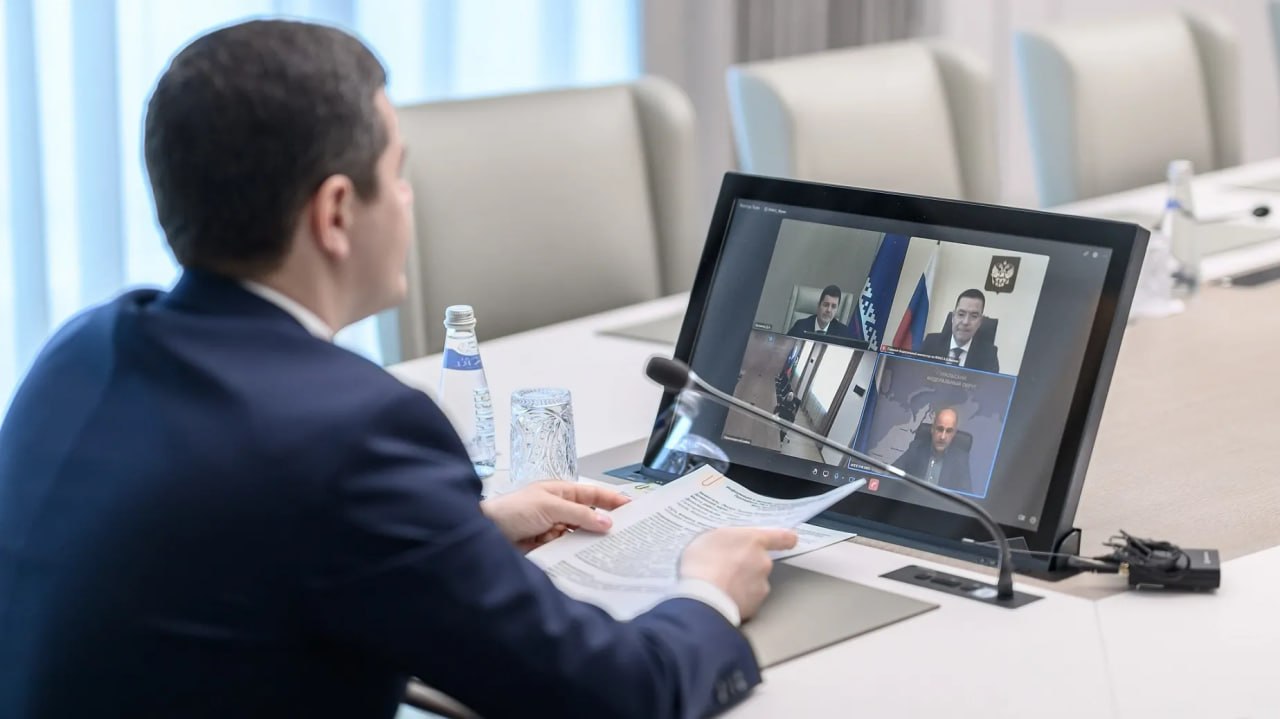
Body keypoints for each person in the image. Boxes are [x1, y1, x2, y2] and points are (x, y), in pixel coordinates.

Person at [0, 21, 796, 719]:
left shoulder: (82, 350)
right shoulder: (354, 434)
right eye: (398, 173)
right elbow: (614, 695)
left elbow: (224, 542)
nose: (410, 198)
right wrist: (708, 592)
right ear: (335, 213)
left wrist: (458, 531)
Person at [891, 408, 974, 494]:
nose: (943, 437)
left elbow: (965, 494)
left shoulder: (960, 459)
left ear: (954, 434)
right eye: (940, 429)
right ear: (932, 429)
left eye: (949, 431)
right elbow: (890, 474)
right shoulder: (916, 448)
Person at [918, 289, 1000, 372]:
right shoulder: (930, 343)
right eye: (961, 314)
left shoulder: (989, 355)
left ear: (980, 322)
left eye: (974, 316)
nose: (965, 322)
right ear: (953, 316)